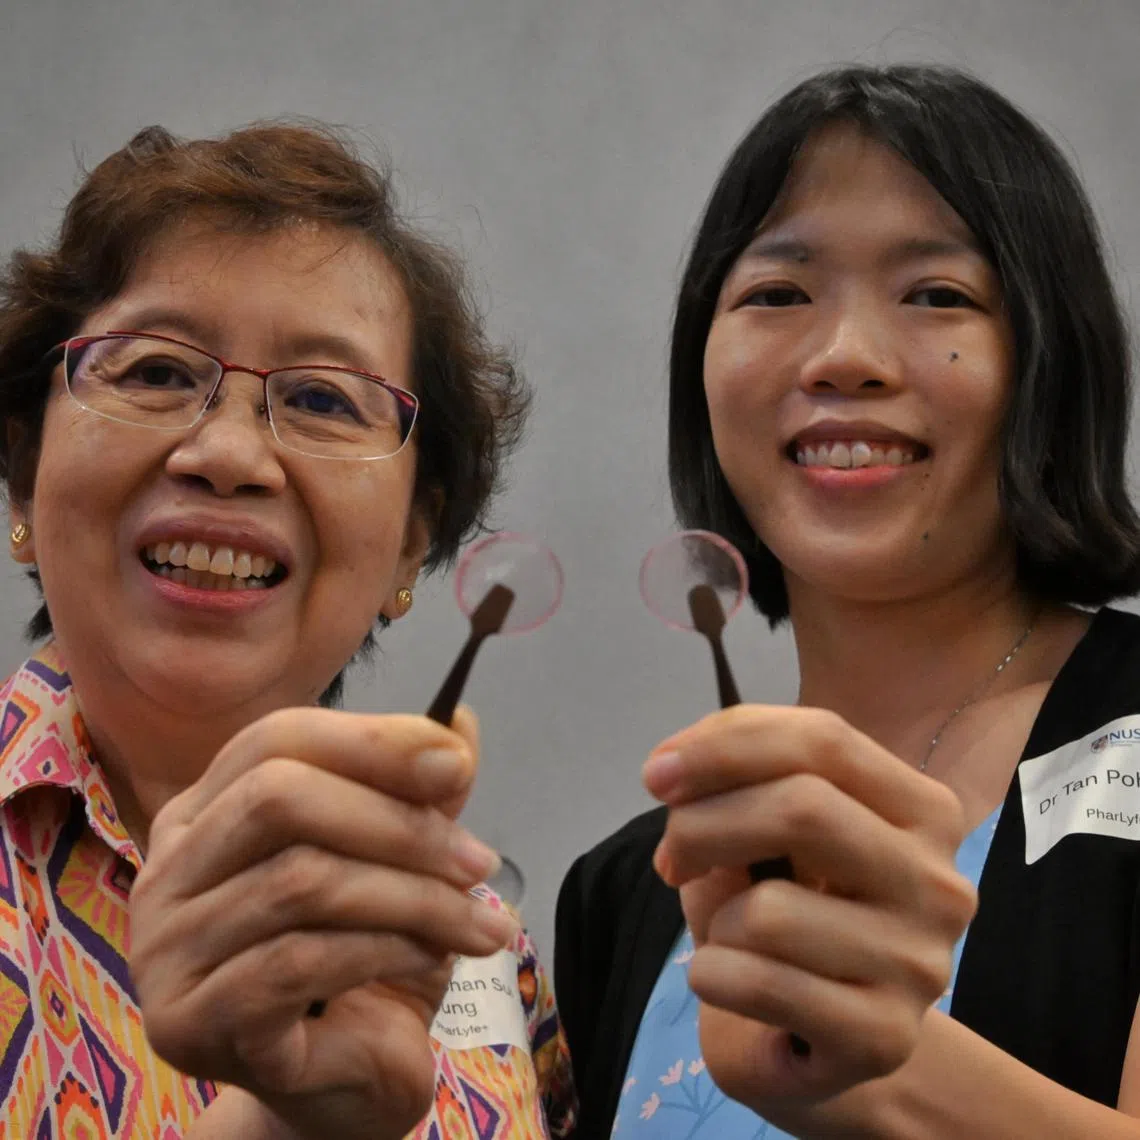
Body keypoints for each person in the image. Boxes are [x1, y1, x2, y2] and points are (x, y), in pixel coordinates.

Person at [556, 63, 1140, 1138]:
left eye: (938, 295)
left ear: (1052, 359)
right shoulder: (627, 891)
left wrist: (878, 1074)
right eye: (777, 295)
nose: (845, 358)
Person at [0, 122, 574, 1139]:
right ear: (21, 475)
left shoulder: (475, 944)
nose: (227, 456)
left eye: (322, 400)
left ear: (411, 546)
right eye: (155, 373)